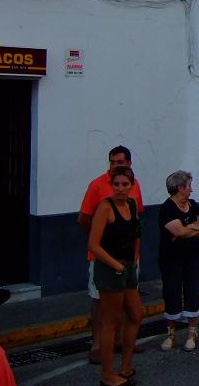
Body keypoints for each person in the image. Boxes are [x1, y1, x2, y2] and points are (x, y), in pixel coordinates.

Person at [77, 145, 145, 365]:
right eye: (113, 162)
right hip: (104, 259)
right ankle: (97, 344)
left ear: (129, 165)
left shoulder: (135, 188)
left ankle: (123, 341)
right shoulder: (97, 186)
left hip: (129, 258)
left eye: (120, 163)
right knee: (100, 301)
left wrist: (135, 255)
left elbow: (136, 221)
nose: (116, 166)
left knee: (128, 303)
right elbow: (84, 218)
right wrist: (103, 237)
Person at [87, 166, 143, 386]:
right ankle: (107, 375)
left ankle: (126, 366)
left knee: (136, 314)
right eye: (116, 184)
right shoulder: (105, 207)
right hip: (110, 268)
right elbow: (93, 244)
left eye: (125, 184)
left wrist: (134, 259)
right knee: (111, 321)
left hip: (128, 267)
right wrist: (115, 265)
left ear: (131, 185)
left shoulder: (131, 204)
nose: (120, 189)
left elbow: (136, 232)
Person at [158, 170, 199, 353]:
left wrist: (189, 227)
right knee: (171, 293)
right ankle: (170, 335)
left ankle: (191, 333)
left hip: (193, 257)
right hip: (171, 260)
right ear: (180, 188)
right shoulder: (167, 209)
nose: (191, 190)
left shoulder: (192, 205)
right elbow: (178, 232)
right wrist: (193, 228)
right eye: (188, 186)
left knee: (192, 292)